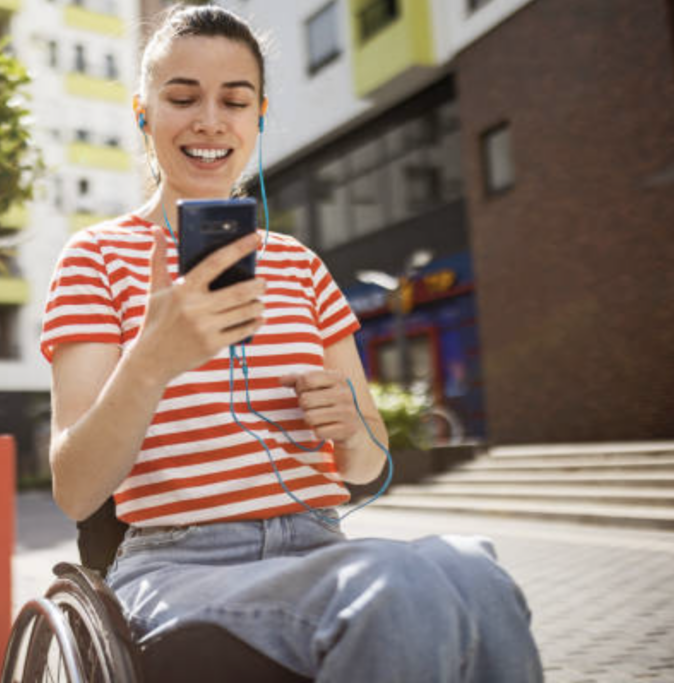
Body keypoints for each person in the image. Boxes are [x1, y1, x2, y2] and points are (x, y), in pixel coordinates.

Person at [40, 5, 544, 681]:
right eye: (182, 97)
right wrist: (152, 360)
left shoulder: (301, 265)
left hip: (318, 544)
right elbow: (75, 490)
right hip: (181, 563)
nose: (210, 120)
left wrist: (349, 429)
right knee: (398, 585)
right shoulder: (95, 258)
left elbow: (366, 463)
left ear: (259, 116)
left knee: (477, 573)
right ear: (143, 111)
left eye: (235, 100)